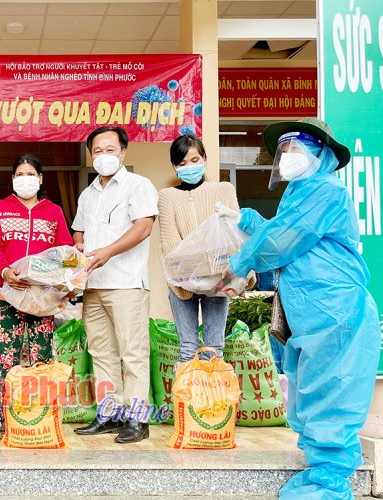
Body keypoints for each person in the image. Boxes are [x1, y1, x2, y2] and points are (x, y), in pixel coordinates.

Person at [218, 118, 379, 499]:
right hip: (314, 315)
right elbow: (285, 229)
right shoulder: (301, 194)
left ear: (321, 155)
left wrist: (238, 266)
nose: (287, 157)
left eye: (296, 149)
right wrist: (246, 220)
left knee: (331, 395)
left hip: (334, 310)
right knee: (311, 391)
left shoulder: (326, 191)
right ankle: (320, 472)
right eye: (284, 150)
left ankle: (331, 483)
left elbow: (285, 238)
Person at [71, 126, 158, 443]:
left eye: (110, 149)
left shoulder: (138, 185)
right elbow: (79, 230)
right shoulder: (88, 194)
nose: (103, 156)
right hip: (93, 284)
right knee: (101, 352)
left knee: (132, 353)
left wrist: (108, 251)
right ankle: (110, 414)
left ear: (123, 152)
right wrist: (78, 245)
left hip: (126, 283)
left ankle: (137, 419)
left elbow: (144, 226)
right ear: (91, 155)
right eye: (98, 151)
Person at [0, 154, 73, 440]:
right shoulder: (0, 208)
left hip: (42, 298)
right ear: (13, 179)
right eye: (20, 174)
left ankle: (40, 416)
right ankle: (7, 418)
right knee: (7, 356)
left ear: (40, 178)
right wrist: (5, 270)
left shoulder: (53, 211)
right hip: (8, 294)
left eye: (30, 174)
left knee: (42, 356)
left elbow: (65, 250)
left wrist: (65, 283)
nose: (25, 179)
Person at [158, 135, 242, 363]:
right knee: (187, 348)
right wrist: (190, 271)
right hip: (181, 281)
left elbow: (234, 234)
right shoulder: (167, 196)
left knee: (214, 348)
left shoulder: (224, 189)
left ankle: (214, 388)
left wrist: (229, 271)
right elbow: (169, 242)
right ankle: (189, 388)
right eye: (182, 163)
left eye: (194, 160)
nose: (189, 167)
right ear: (175, 167)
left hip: (219, 278)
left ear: (204, 158)